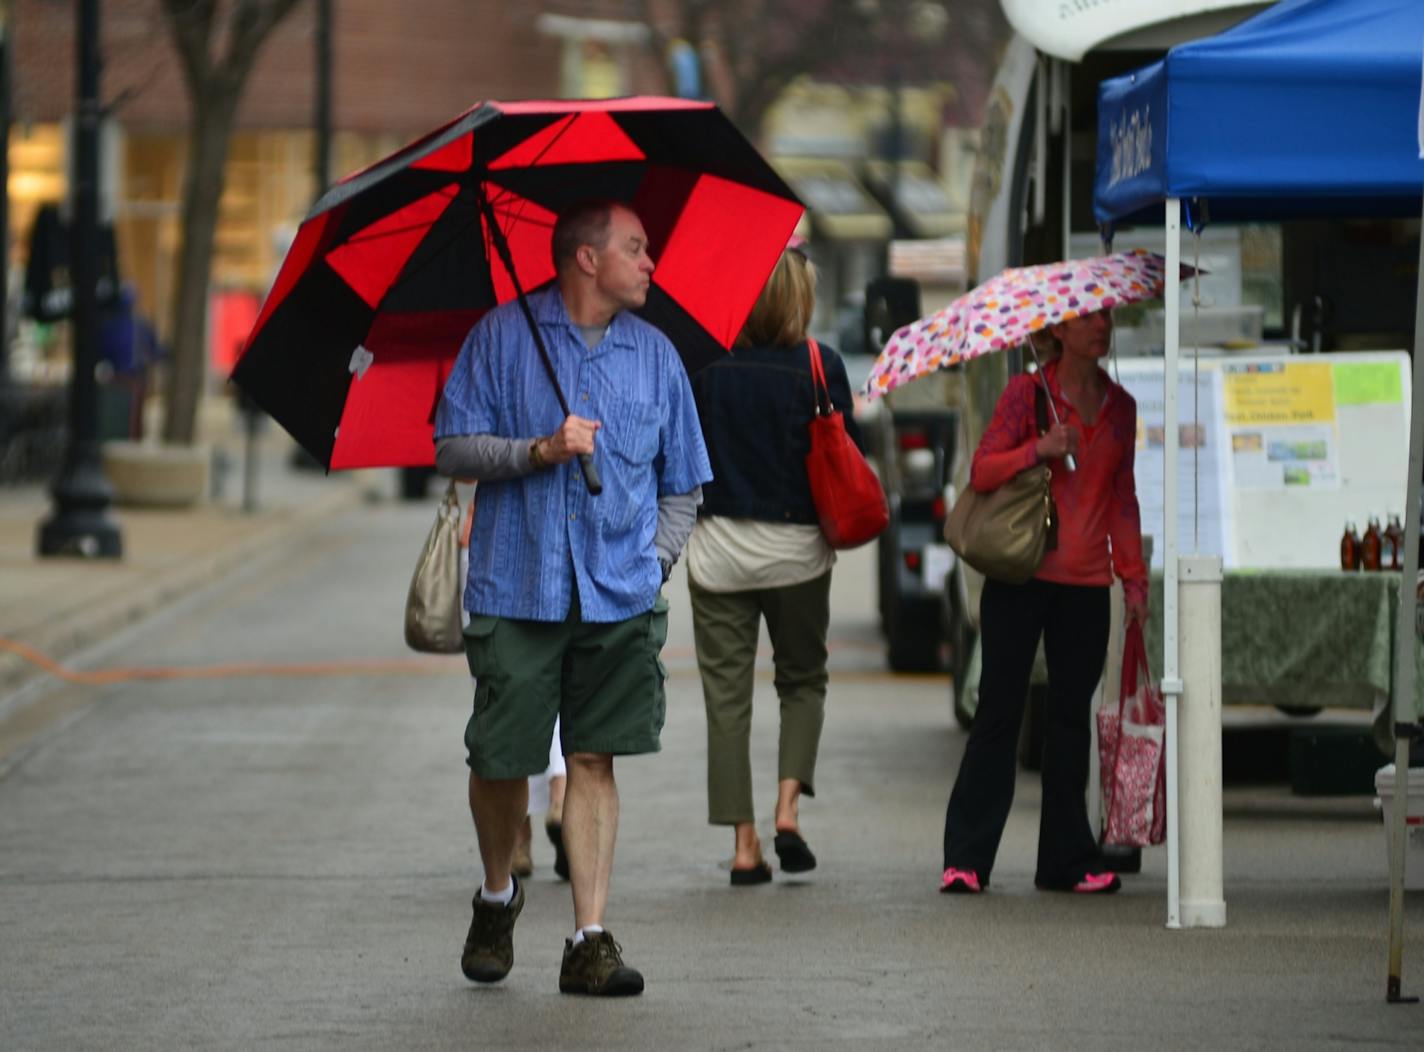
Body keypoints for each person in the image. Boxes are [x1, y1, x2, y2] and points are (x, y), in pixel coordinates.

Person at [434, 199, 711, 996]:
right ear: (587, 259)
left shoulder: (658, 358)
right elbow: (451, 444)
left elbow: (683, 488)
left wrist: (649, 568)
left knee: (593, 757)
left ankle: (589, 937)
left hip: (617, 598)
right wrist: (537, 449)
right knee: (501, 760)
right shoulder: (500, 338)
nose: (650, 261)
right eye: (636, 246)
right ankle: (497, 895)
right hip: (517, 588)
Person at [940, 307, 1148, 896]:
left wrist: (1134, 581)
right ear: (1058, 331)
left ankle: (1065, 860)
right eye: (1087, 319)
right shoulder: (1026, 394)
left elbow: (1123, 498)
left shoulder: (1120, 407)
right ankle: (966, 858)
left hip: (1085, 584)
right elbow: (982, 472)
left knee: (1068, 723)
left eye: (1107, 316)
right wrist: (1041, 448)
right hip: (1023, 574)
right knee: (1000, 713)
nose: (1101, 326)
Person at [685, 244, 859, 885]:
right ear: (799, 300)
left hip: (719, 553)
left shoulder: (704, 365)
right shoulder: (822, 366)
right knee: (803, 681)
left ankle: (744, 844)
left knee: (726, 702)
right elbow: (845, 456)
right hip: (797, 555)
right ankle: (788, 809)